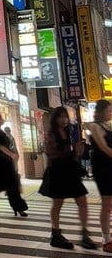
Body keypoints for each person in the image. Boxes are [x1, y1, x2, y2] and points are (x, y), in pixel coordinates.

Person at [38, 106, 97, 250]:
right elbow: (53, 153)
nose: (64, 120)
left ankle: (84, 234)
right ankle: (55, 234)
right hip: (57, 171)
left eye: (65, 117)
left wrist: (77, 151)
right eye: (60, 117)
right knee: (57, 204)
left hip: (70, 171)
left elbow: (73, 152)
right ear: (55, 119)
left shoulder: (69, 132)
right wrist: (73, 152)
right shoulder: (51, 134)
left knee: (82, 201)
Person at [89, 99, 112, 253]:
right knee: (107, 203)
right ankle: (106, 240)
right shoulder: (94, 126)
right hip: (103, 168)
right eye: (109, 110)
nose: (111, 113)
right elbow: (104, 148)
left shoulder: (108, 125)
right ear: (101, 111)